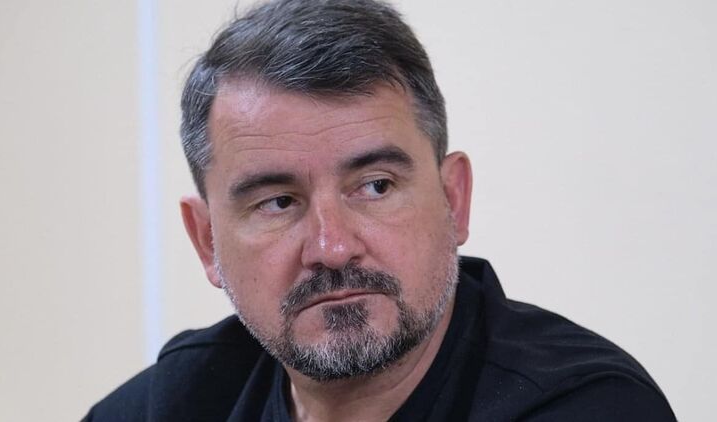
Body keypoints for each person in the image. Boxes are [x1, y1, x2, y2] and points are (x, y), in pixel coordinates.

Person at [85, 0, 676, 420]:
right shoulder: (173, 403)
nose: (332, 248)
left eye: (375, 187)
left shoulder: (586, 405)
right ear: (207, 241)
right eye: (279, 202)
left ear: (453, 199)